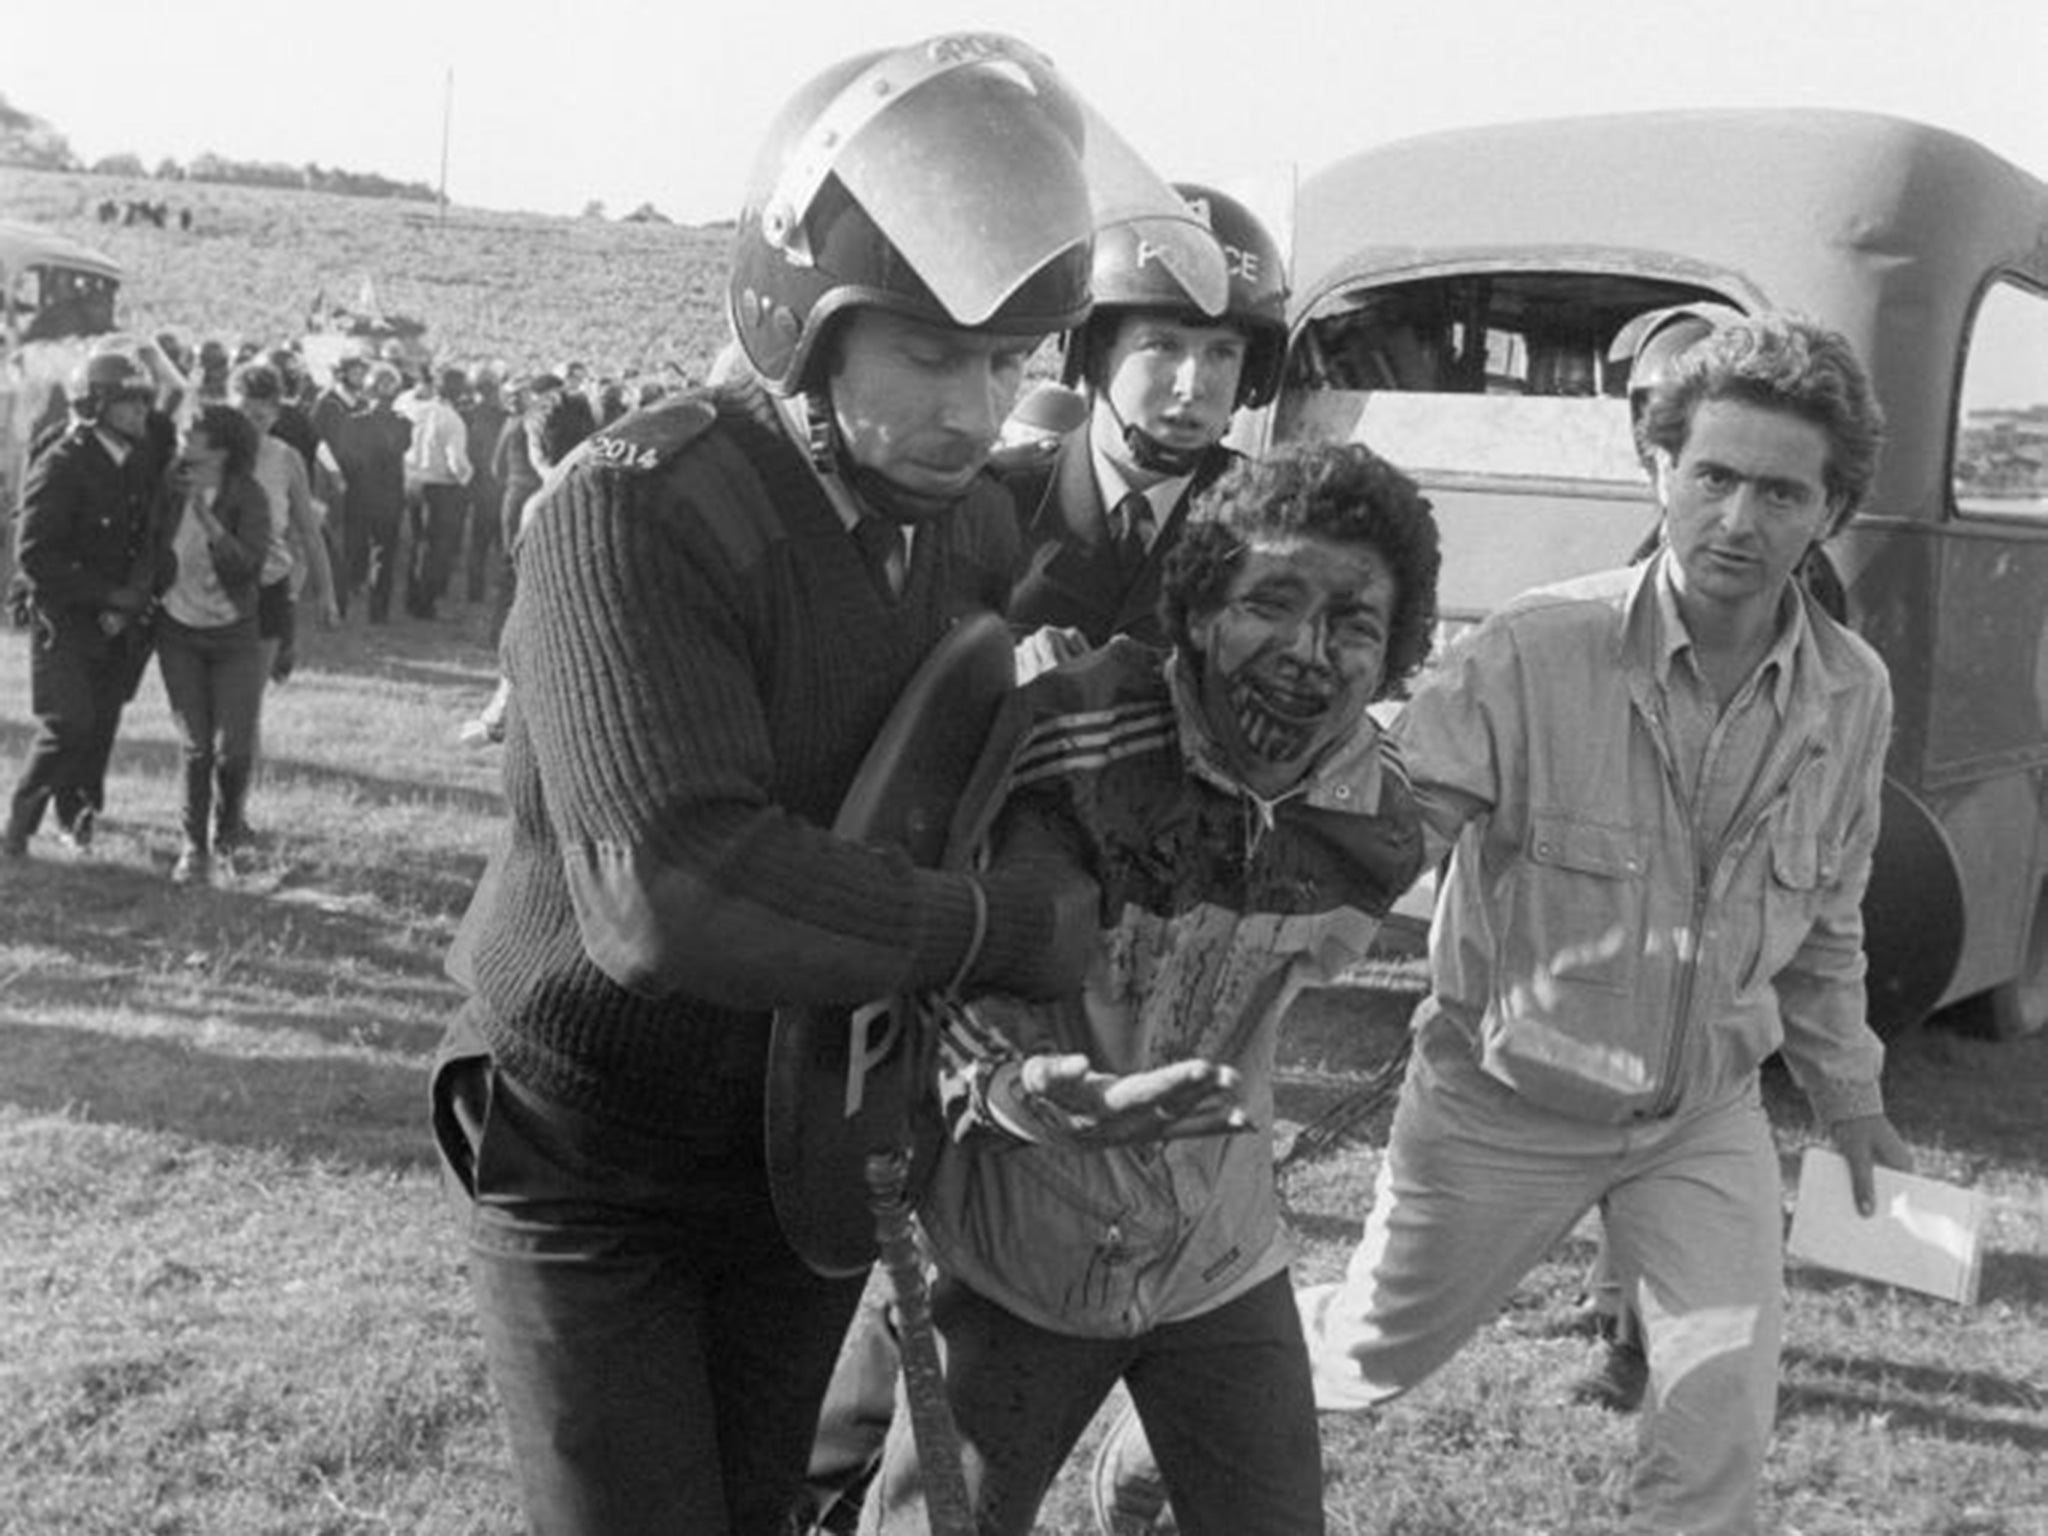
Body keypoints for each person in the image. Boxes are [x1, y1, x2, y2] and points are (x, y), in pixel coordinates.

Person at [429, 32, 1225, 1535]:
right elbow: (677, 886)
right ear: (806, 317)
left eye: (1003, 364)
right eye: (928, 357)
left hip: (811, 1147)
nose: (974, 412)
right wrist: (1004, 926)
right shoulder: (634, 509)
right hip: (593, 1149)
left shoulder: (965, 530)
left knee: (765, 1511)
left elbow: (994, 758)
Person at [1096, 313, 1914, 1536]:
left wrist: (1850, 1098)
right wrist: (1230, 995)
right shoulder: (1534, 650)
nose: (1738, 521)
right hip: (1499, 1108)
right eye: (1713, 478)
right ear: (1659, 471)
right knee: (1370, 1353)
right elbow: (1369, 841)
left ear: (1828, 512)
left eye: (1780, 493)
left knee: (1716, 1434)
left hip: (1701, 1122)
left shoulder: (1850, 693)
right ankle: (1166, 1427)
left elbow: (1830, 915)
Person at [854, 440, 1440, 1536]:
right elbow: (923, 972)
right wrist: (1023, 1090)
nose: (1308, 655)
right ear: (1200, 612)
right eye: (1270, 601)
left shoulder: (1378, 824)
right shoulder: (1067, 741)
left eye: (1353, 623)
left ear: (1394, 650)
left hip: (1218, 1261)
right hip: (1018, 1258)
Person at [1005, 183, 1288, 667]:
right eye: (1162, 345)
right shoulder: (992, 506)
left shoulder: (1275, 530)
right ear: (1095, 352)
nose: (1191, 385)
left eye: (1222, 353)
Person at [4, 344, 177, 859]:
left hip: (122, 617)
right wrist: (104, 595)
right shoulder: (63, 461)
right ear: (94, 403)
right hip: (66, 614)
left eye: (144, 402)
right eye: (128, 402)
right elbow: (34, 554)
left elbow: (178, 397)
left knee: (102, 721)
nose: (141, 411)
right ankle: (18, 825)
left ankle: (77, 817)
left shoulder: (141, 455)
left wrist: (132, 599)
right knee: (69, 722)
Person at [153, 403, 274, 885]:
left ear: (221, 450)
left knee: (235, 749)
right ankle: (193, 846)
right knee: (197, 747)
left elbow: (247, 568)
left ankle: (227, 835)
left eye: (192, 434)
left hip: (233, 635)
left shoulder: (249, 496)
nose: (182, 439)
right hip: (177, 631)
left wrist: (203, 512)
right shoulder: (166, 486)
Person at [457, 386, 598, 746]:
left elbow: (527, 609)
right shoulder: (612, 489)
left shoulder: (542, 504)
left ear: (536, 444)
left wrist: (496, 715)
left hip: (557, 659)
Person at [231, 361, 337, 699]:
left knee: (247, 703)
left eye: (259, 418)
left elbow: (309, 532)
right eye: (242, 414)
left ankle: (244, 753)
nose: (249, 426)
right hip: (212, 589)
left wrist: (327, 593)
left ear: (275, 417)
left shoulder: (286, 460)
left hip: (267, 588)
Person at [399, 365, 474, 620]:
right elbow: (456, 462)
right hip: (441, 486)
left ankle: (412, 598)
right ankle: (425, 603)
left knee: (418, 543)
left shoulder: (417, 410)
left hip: (414, 481)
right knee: (436, 548)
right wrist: (467, 478)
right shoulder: (453, 420)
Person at [349, 363, 413, 623]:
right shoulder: (404, 425)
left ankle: (350, 592)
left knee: (355, 547)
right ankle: (378, 611)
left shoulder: (356, 422)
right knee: (385, 554)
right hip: (390, 497)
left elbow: (349, 457)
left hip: (361, 494)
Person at [460, 365, 509, 607]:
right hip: (497, 484)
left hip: (480, 484)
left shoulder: (466, 414)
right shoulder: (503, 416)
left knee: (479, 543)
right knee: (501, 542)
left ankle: (475, 592)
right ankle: (502, 590)